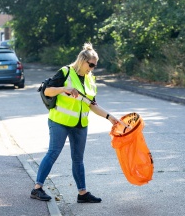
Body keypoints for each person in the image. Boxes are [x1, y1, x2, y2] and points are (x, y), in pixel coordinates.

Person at [31, 43, 120, 203]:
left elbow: (92, 105)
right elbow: (47, 91)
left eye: (94, 66)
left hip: (80, 124)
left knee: (78, 159)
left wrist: (110, 118)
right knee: (53, 153)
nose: (92, 68)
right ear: (82, 60)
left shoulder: (90, 79)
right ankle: (37, 189)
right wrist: (63, 89)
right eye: (90, 64)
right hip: (59, 121)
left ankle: (82, 193)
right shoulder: (66, 72)